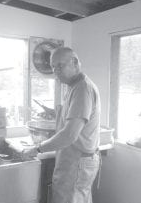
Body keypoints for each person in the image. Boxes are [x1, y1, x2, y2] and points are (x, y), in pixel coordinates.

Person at [22, 47, 101, 203]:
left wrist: (37, 148)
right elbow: (72, 115)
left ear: (75, 62)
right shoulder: (73, 86)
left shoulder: (82, 89)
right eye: (53, 67)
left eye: (60, 65)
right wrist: (54, 112)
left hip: (77, 162)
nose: (56, 71)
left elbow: (69, 135)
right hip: (74, 159)